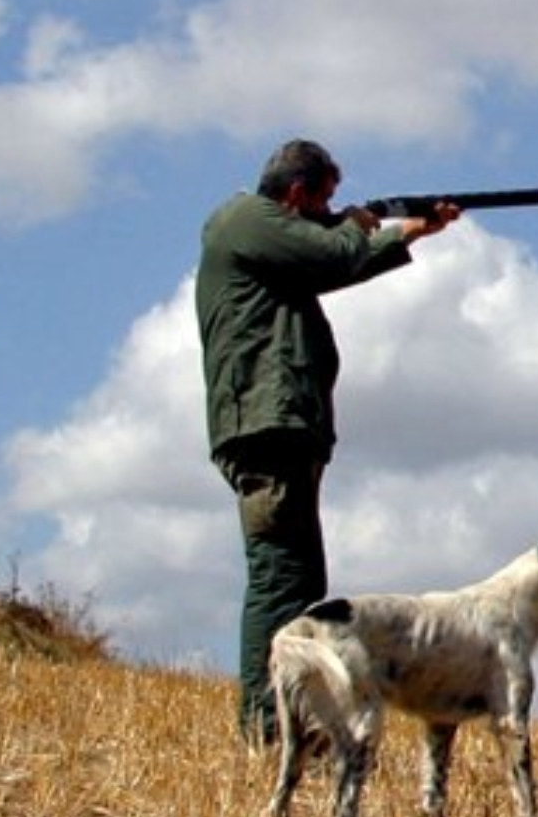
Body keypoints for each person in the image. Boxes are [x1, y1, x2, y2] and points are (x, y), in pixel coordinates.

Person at [196, 138, 457, 744]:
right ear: (296, 194)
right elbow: (335, 253)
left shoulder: (261, 236)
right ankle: (266, 723)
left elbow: (336, 261)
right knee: (281, 576)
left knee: (299, 580)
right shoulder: (245, 219)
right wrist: (370, 224)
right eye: (322, 201)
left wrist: (408, 231)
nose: (327, 211)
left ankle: (288, 717)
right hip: (265, 422)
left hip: (278, 422)